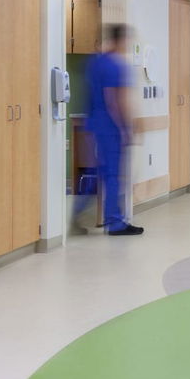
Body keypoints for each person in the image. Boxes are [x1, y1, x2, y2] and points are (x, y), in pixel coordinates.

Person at [76, 24, 143, 235]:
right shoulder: (116, 66)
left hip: (93, 125)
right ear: (121, 40)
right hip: (110, 128)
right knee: (113, 176)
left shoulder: (95, 63)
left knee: (96, 172)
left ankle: (72, 216)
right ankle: (115, 222)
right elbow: (114, 99)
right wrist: (126, 128)